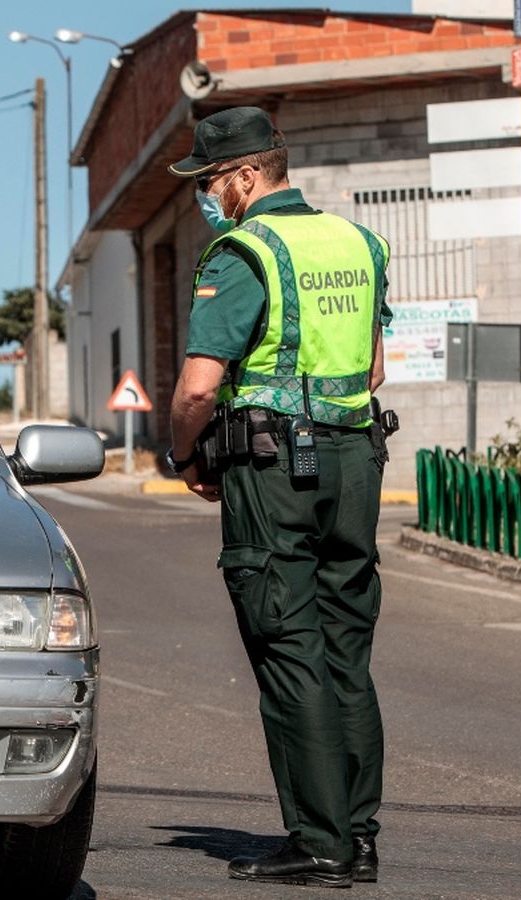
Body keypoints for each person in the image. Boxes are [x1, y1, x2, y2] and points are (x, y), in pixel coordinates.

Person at [164, 107, 392, 888]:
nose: (207, 195)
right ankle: (358, 839)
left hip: (274, 469)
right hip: (357, 460)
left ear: (247, 175)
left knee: (288, 648)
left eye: (210, 181)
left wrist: (183, 453)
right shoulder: (360, 244)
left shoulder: (243, 252)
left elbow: (199, 386)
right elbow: (372, 371)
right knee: (345, 654)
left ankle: (318, 842)